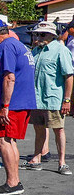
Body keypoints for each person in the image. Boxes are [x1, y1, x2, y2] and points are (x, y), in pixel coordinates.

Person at [0, 17, 36, 195]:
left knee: (2, 138)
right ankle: (15, 181)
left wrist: (4, 105)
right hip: (22, 101)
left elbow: (9, 77)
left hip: (13, 103)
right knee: (9, 139)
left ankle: (13, 183)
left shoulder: (6, 46)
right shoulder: (19, 45)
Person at [22, 22, 74, 175]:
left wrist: (67, 100)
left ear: (52, 35)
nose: (39, 37)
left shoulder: (61, 50)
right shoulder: (36, 51)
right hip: (37, 98)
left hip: (54, 98)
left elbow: (69, 76)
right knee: (39, 129)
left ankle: (62, 162)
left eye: (43, 34)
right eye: (37, 34)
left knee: (59, 129)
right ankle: (37, 158)